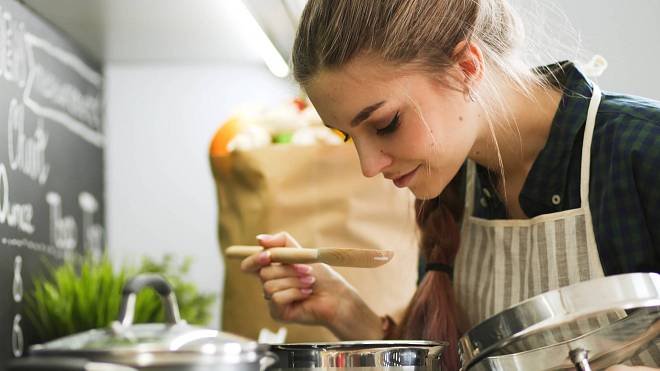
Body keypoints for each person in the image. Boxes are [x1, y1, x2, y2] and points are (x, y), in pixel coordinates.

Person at [239, 0, 660, 369]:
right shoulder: (452, 183)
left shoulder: (643, 151)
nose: (369, 166)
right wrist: (347, 312)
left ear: (466, 68)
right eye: (348, 136)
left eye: (386, 124)